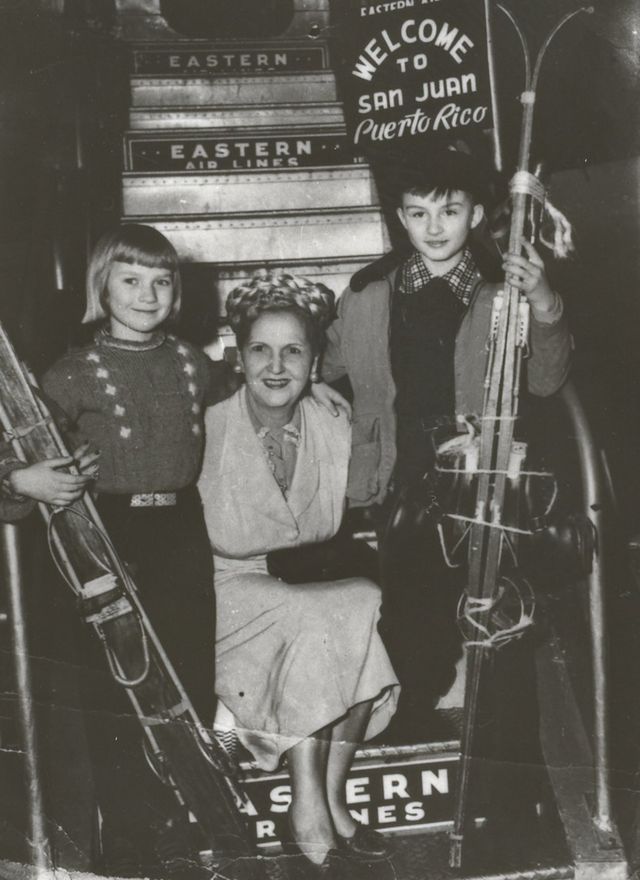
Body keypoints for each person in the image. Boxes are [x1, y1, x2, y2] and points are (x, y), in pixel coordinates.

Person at [0, 224, 350, 876]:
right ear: (100, 287)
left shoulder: (194, 365)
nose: (147, 293)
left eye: (162, 281)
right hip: (102, 537)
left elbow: (262, 392)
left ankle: (177, 821)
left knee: (185, 677)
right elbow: (21, 447)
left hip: (184, 538)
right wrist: (24, 480)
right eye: (130, 280)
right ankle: (127, 833)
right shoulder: (71, 372)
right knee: (114, 687)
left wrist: (314, 387)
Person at [320, 148, 572, 738]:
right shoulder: (368, 293)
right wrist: (309, 380)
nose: (434, 228)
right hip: (405, 480)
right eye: (418, 214)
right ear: (400, 219)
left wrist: (542, 300)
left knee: (494, 613)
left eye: (450, 211)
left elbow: (546, 379)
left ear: (477, 214)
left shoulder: (499, 292)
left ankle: (508, 764)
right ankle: (415, 722)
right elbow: (330, 358)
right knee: (410, 613)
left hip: (483, 481)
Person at [197, 271, 400, 877]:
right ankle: (309, 805)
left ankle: (331, 795)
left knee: (361, 599)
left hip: (302, 581)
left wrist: (344, 401)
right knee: (327, 615)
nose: (277, 366)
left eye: (294, 351)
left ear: (315, 362)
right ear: (239, 357)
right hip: (229, 589)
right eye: (261, 349)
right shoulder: (205, 419)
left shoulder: (335, 421)